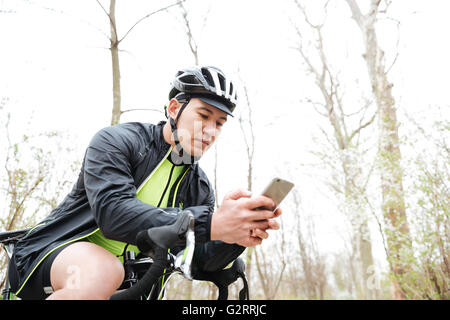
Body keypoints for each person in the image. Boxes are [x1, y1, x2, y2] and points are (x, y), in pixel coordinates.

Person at [8, 66, 282, 300]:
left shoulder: (199, 186)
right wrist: (209, 222)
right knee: (104, 271)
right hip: (47, 257)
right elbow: (113, 214)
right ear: (174, 108)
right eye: (203, 116)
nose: (210, 131)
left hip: (131, 277)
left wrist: (231, 237)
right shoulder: (117, 141)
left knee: (115, 274)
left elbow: (199, 261)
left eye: (220, 123)